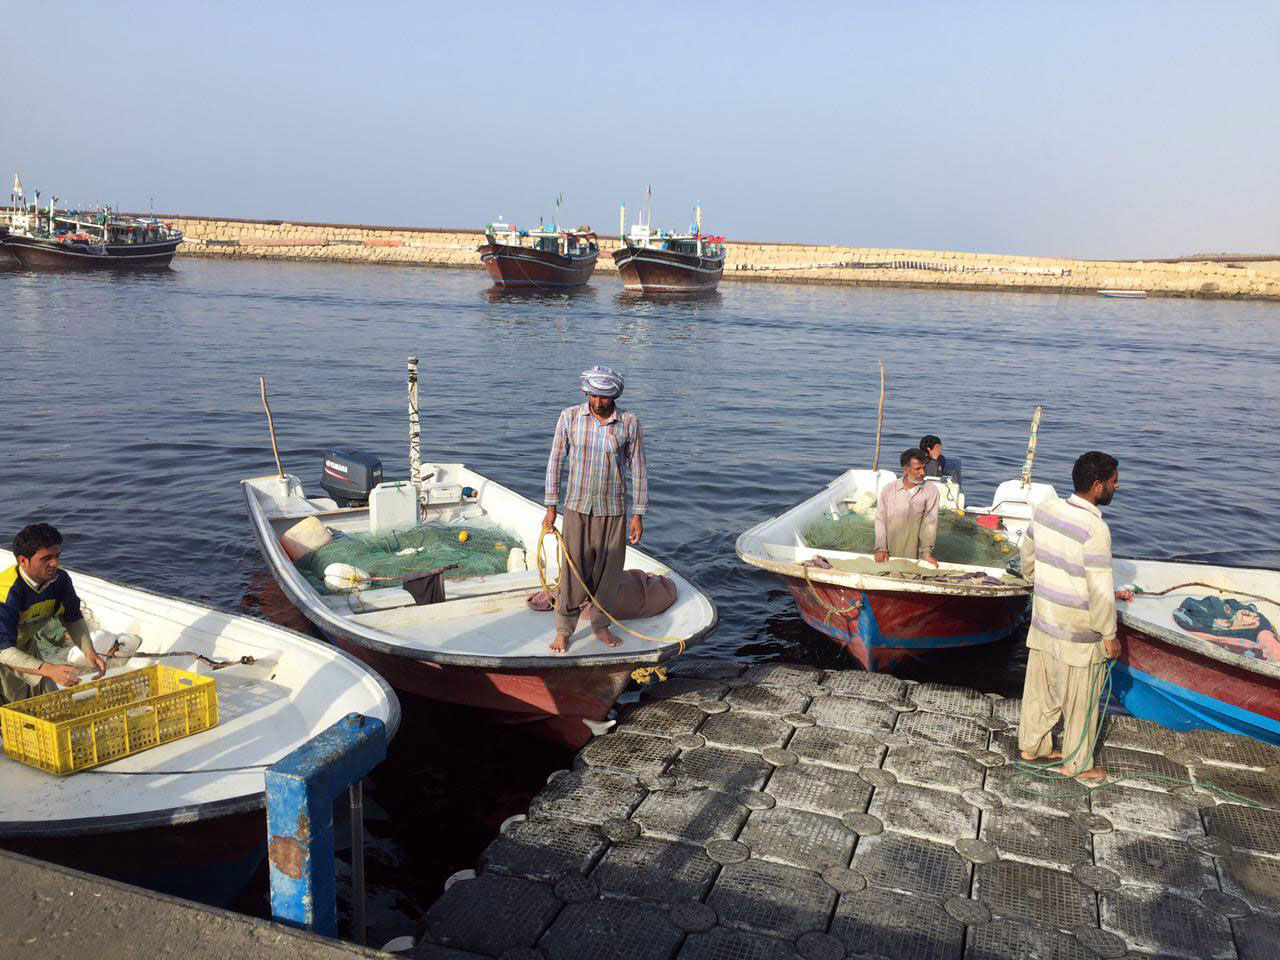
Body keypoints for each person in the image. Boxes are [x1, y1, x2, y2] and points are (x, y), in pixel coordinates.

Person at [1017, 451, 1133, 781]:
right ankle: (1077, 764)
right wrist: (1109, 635)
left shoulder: (1046, 508)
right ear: (1097, 486)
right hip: (1077, 634)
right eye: (1113, 481)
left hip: (1044, 621)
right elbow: (1099, 588)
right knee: (1081, 702)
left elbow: (1027, 557)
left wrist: (1041, 582)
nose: (1117, 486)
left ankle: (1032, 747)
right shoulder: (1095, 528)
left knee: (1041, 692)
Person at [542, 366, 648, 654]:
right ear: (586, 393)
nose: (598, 402)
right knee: (573, 569)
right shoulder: (569, 417)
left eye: (604, 397)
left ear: (614, 396)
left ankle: (601, 625)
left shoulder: (629, 423)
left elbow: (638, 470)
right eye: (593, 396)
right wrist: (550, 508)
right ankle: (564, 628)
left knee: (608, 572)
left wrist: (638, 514)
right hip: (576, 506)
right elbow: (555, 463)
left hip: (613, 508)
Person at [0, 523, 106, 704]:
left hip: (23, 646)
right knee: (14, 707)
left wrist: (89, 651)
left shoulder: (60, 580)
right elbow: (3, 649)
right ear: (23, 561)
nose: (55, 563)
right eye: (46, 558)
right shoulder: (6, 592)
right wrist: (48, 669)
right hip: (4, 650)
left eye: (57, 556)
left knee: (49, 701)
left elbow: (72, 618)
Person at [874, 448, 939, 566]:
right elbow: (880, 520)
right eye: (917, 469)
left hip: (916, 554)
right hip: (889, 551)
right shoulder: (889, 489)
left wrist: (926, 553)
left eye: (924, 468)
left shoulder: (931, 490)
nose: (922, 473)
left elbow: (929, 524)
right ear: (905, 470)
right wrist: (881, 548)